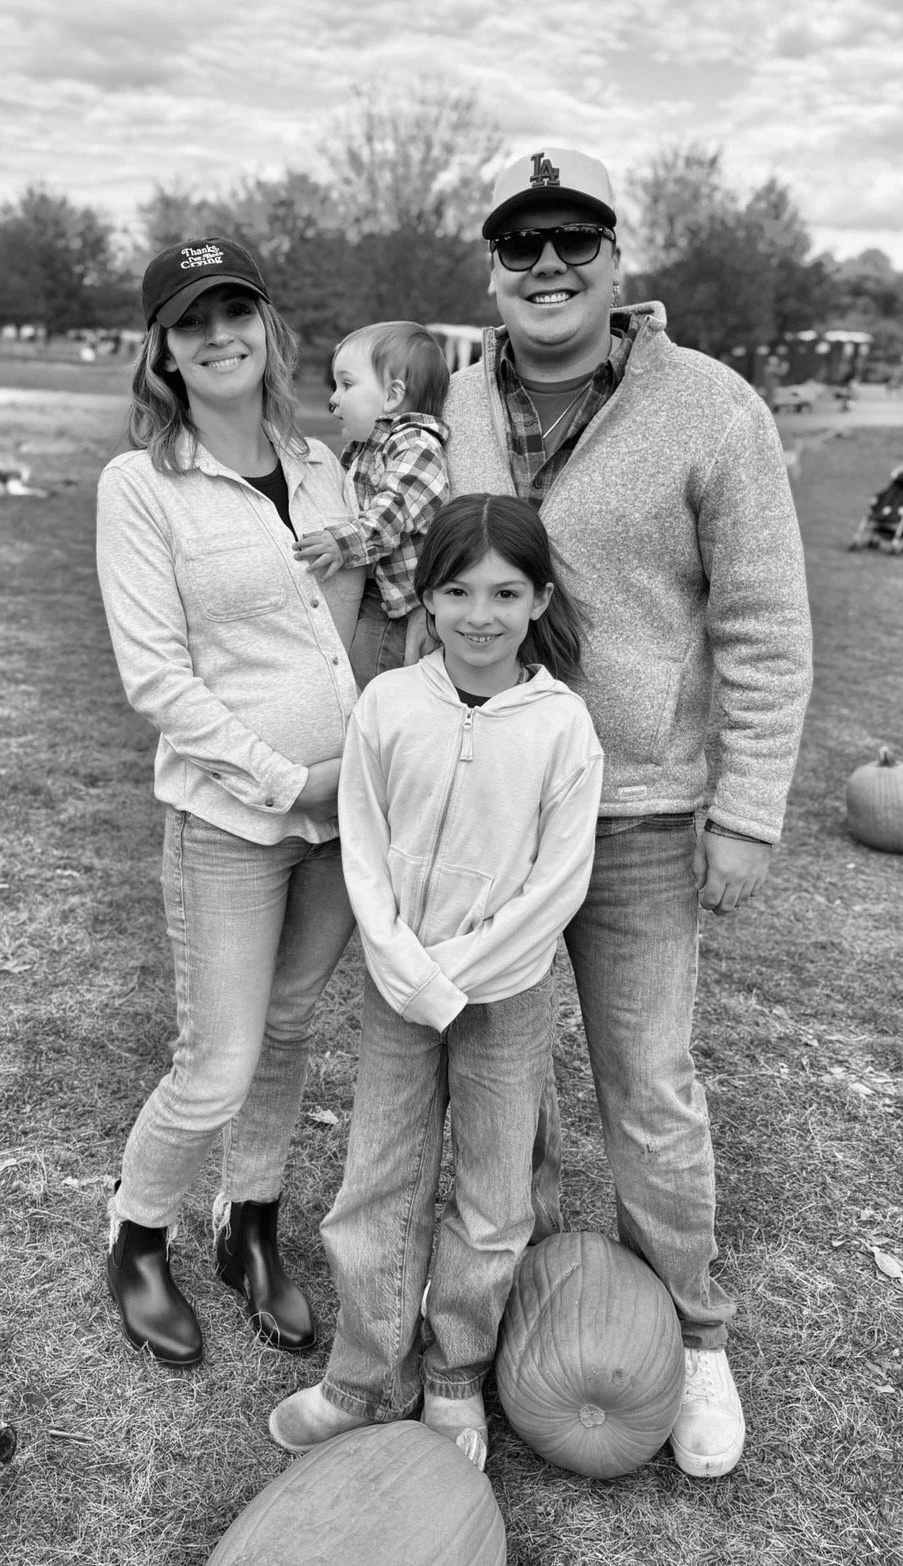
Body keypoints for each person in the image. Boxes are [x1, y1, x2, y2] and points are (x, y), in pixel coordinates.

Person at [427, 147, 814, 1478]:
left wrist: (749, 807)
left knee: (650, 1087)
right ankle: (482, 1348)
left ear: (616, 260)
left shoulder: (711, 409)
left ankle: (693, 1335)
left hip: (644, 810)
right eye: (520, 243)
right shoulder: (454, 400)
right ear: (491, 264)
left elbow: (765, 626)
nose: (546, 266)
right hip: (494, 805)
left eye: (573, 241)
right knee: (497, 1091)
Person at [268, 494, 604, 1468]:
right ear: (426, 596)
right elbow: (363, 851)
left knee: (492, 1196)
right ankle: (365, 1376)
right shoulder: (387, 707)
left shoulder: (560, 728)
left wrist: (454, 972)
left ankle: (454, 1373)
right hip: (394, 985)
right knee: (377, 1179)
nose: (479, 614)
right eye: (455, 590)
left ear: (538, 598)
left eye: (504, 592)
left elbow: (557, 883)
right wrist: (405, 965)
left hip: (506, 995)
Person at [95, 236, 361, 1366]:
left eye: (233, 311)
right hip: (235, 820)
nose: (217, 336)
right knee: (217, 1058)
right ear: (161, 348)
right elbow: (156, 676)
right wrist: (280, 777)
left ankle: (250, 1224)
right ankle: (136, 1237)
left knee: (294, 1028)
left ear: (266, 326)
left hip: (346, 814)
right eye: (190, 320)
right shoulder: (141, 485)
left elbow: (346, 630)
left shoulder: (318, 464)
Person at [292, 321, 450, 688]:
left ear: (393, 396)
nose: (333, 399)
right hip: (373, 595)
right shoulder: (368, 449)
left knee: (368, 685)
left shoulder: (416, 445)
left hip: (399, 609)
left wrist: (340, 544)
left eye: (346, 385)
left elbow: (390, 514)